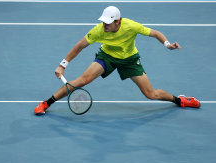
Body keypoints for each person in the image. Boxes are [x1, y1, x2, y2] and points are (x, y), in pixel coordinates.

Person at [34, 6, 200, 115]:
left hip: (129, 59)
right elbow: (80, 45)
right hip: (107, 57)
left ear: (118, 22)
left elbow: (155, 33)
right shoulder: (99, 30)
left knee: (150, 94)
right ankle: (46, 103)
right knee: (82, 80)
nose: (104, 25)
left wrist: (167, 44)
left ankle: (180, 100)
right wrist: (62, 65)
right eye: (103, 22)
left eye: (108, 23)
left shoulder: (131, 26)